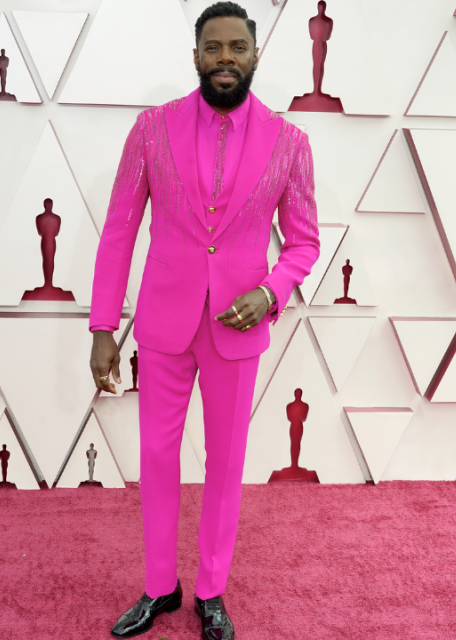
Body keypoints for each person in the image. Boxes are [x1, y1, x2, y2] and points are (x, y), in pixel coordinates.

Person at [88, 3, 320, 639]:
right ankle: (160, 586)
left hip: (237, 330)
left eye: (237, 47)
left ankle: (211, 591)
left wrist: (269, 293)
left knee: (225, 462)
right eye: (212, 47)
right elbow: (119, 231)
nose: (225, 58)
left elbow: (303, 243)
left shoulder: (290, 143)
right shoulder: (150, 131)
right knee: (158, 456)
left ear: (255, 55)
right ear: (195, 56)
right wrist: (103, 326)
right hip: (163, 322)